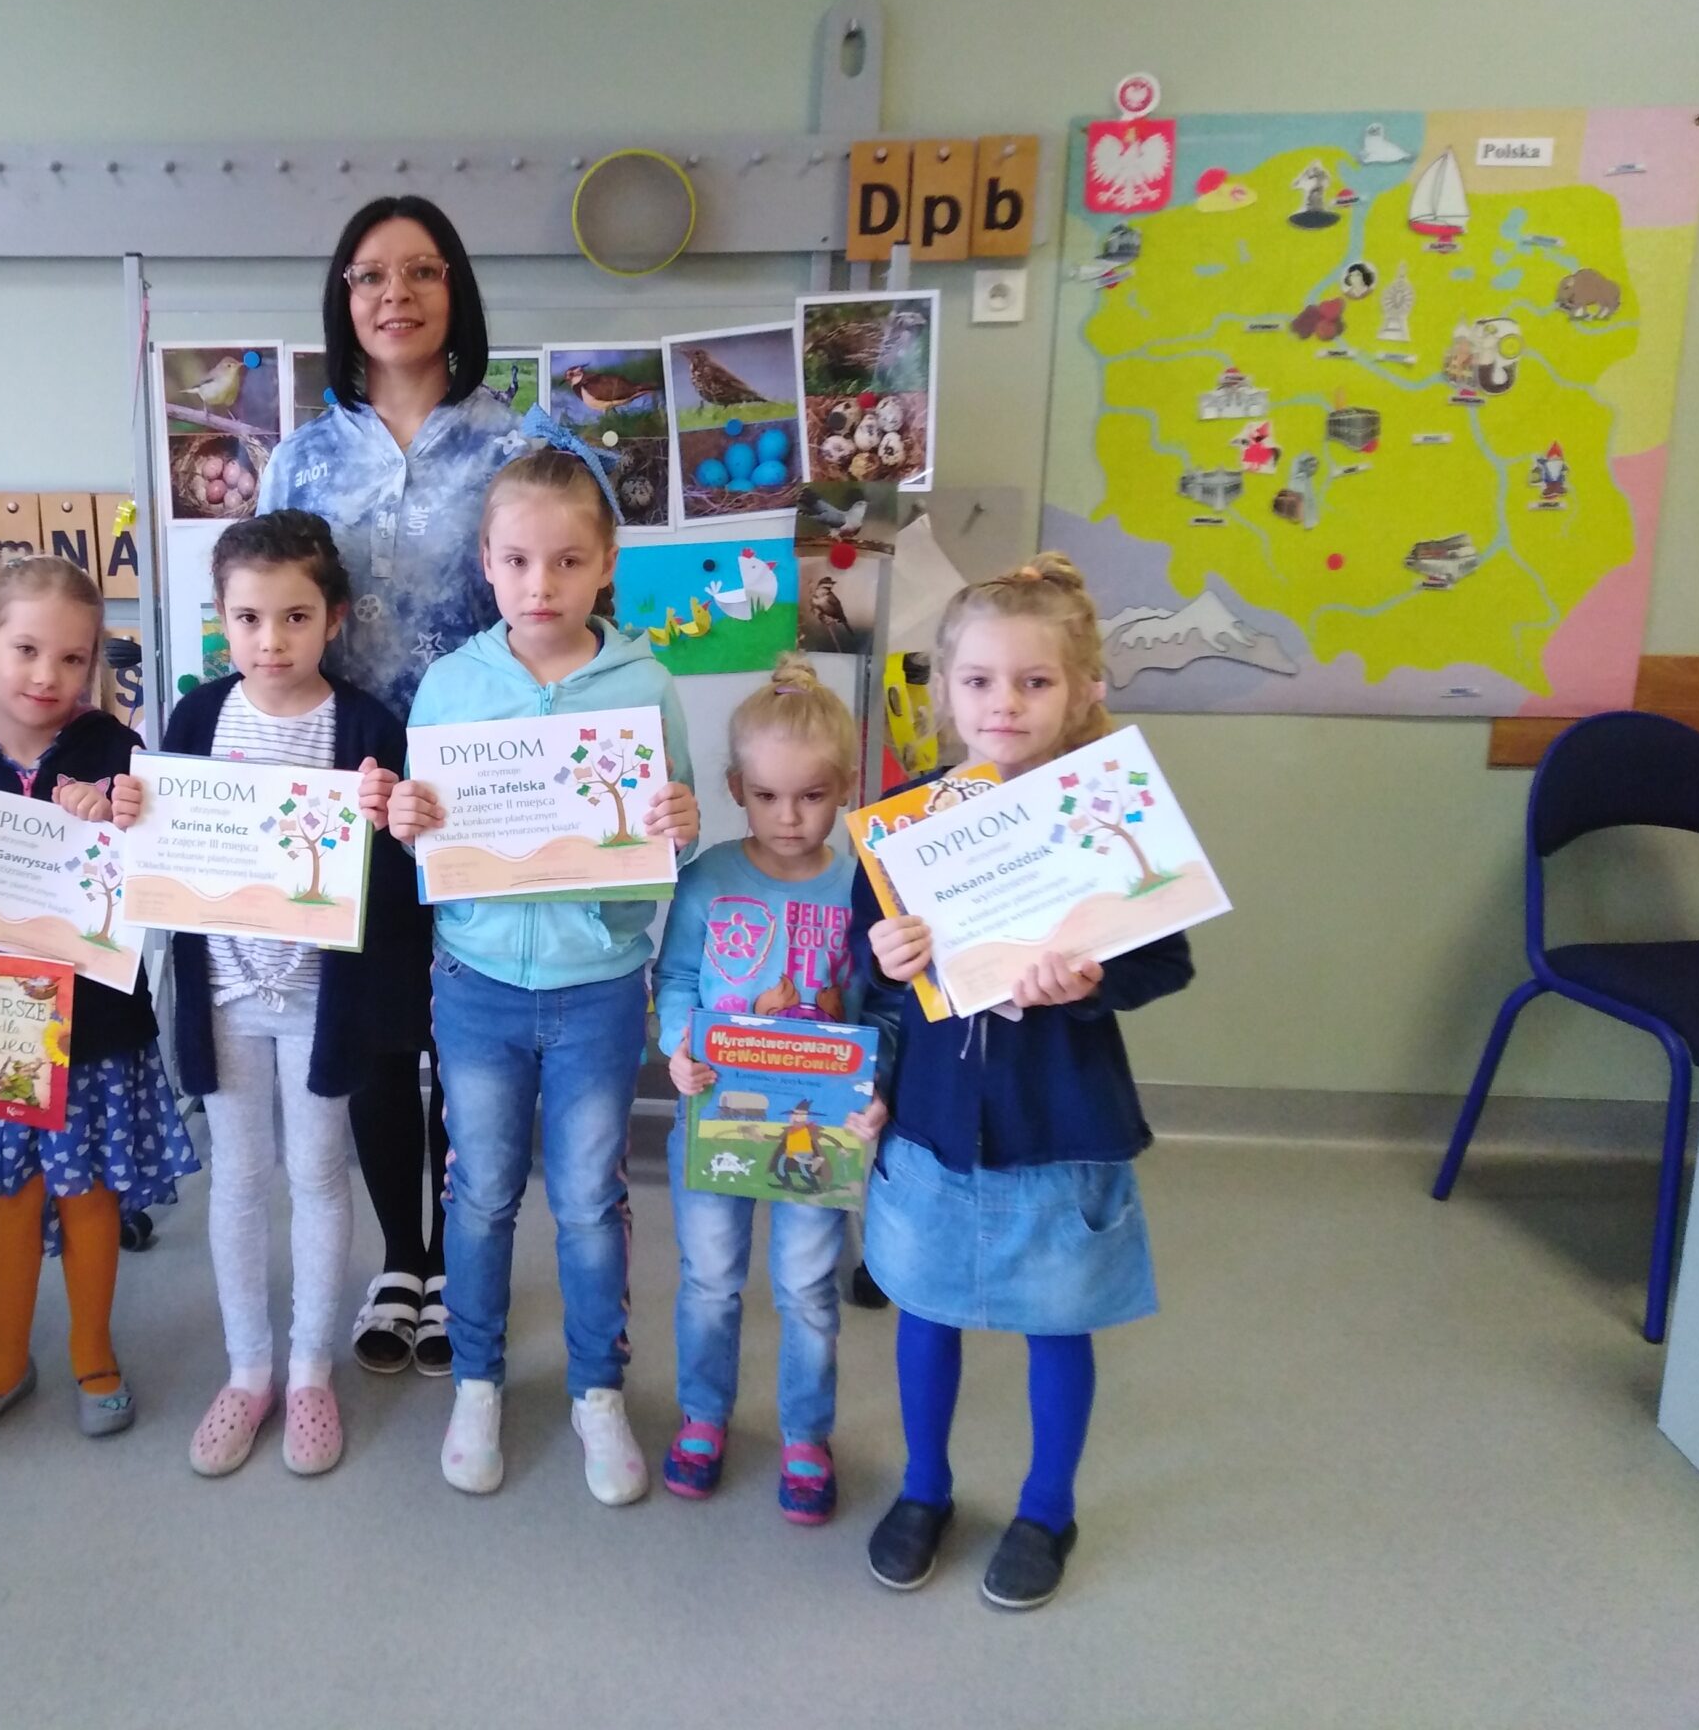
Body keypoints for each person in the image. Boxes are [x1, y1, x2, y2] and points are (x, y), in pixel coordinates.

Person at [851, 554, 1192, 1610]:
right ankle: (924, 1489)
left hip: (1058, 1123)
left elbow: (1166, 959)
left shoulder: (1111, 812)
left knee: (1057, 1322)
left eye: (1035, 681)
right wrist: (884, 957)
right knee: (924, 1312)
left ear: (1084, 689)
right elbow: (872, 968)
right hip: (933, 1124)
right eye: (980, 681)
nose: (1005, 702)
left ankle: (1048, 1508)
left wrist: (1091, 981)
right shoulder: (905, 820)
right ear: (945, 692)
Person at [389, 446, 697, 1504]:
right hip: (475, 982)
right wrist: (407, 820)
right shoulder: (450, 685)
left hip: (599, 987)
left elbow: (668, 835)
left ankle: (596, 1390)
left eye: (568, 562)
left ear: (606, 565)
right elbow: (426, 840)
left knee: (587, 1198)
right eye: (517, 561)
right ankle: (477, 1379)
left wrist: (680, 820)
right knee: (478, 1193)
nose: (541, 585)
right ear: (485, 562)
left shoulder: (646, 686)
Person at [255, 197, 525, 1375]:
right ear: (343, 298)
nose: (395, 294)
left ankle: (461, 1258)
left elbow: (560, 614)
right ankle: (402, 1259)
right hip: (342, 785)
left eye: (421, 271)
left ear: (455, 288)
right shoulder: (301, 457)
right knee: (370, 1032)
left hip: (484, 791)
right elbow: (265, 615)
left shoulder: (518, 448)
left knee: (468, 1037)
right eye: (369, 275)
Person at [110, 510, 416, 1477]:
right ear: (221, 618)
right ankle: (249, 1370)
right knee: (238, 1176)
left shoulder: (367, 727)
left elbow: (400, 873)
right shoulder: (197, 719)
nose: (270, 641)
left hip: (323, 999)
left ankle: (312, 1368)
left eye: (294, 617)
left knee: (319, 1174)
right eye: (247, 618)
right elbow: (162, 845)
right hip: (225, 995)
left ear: (334, 619)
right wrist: (133, 807)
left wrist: (390, 822)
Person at [0, 556, 196, 1452]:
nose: (47, 675)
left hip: (98, 1029)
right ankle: (3, 1360)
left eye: (73, 659)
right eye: (26, 650)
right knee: (11, 1197)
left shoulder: (118, 755)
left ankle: (91, 1352)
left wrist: (126, 814)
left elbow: (168, 873)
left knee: (90, 1193)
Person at [652, 658, 886, 1524]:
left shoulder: (859, 884)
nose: (790, 818)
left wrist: (872, 1077)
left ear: (845, 788)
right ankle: (703, 1417)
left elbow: (877, 1005)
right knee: (711, 1280)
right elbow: (677, 979)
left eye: (813, 797)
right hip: (716, 1113)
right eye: (767, 797)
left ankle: (805, 1435)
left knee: (806, 1287)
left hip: (819, 1129)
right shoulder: (710, 879)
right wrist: (679, 1047)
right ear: (735, 791)